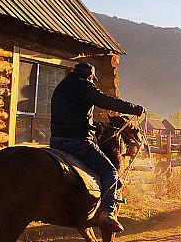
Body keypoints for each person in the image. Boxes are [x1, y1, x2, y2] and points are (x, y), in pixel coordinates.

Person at [50, 62, 144, 233]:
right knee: (111, 173)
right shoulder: (84, 86)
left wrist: (92, 126)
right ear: (89, 76)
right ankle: (107, 213)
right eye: (92, 79)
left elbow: (71, 115)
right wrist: (134, 109)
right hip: (77, 142)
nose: (92, 81)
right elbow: (107, 101)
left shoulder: (61, 86)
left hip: (56, 141)